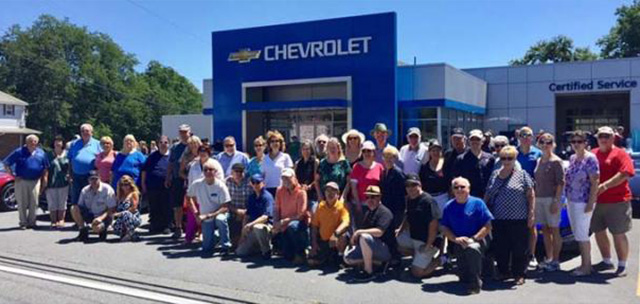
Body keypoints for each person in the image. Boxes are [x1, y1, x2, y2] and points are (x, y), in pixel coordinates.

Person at [485, 146, 535, 285]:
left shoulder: (522, 174)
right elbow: (488, 195)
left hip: (519, 217)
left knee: (519, 248)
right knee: (501, 247)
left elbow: (530, 195)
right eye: (503, 158)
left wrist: (531, 213)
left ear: (515, 159)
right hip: (499, 217)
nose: (506, 161)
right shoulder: (495, 174)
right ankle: (503, 271)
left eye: (510, 158)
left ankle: (519, 274)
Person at [591, 126, 634, 277]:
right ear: (597, 138)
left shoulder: (620, 154)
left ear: (613, 137)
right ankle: (606, 261)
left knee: (618, 233)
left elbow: (625, 173)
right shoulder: (592, 153)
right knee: (599, 231)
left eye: (607, 136)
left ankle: (622, 265)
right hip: (596, 202)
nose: (603, 138)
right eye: (601, 136)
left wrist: (605, 186)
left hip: (617, 201)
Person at [440, 177, 493, 295]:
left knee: (472, 248)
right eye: (456, 187)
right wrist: (455, 239)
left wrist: (473, 238)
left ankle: (476, 284)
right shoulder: (448, 206)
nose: (459, 189)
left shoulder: (478, 203)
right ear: (452, 190)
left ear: (468, 189)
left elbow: (488, 225)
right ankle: (475, 273)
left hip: (479, 239)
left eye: (462, 187)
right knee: (463, 277)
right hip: (459, 241)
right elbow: (444, 227)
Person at [564, 130, 600, 276]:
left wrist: (591, 203)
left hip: (584, 202)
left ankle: (586, 266)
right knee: (578, 234)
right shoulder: (572, 158)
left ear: (586, 143)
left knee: (583, 234)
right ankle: (585, 264)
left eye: (580, 141)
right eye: (574, 142)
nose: (576, 144)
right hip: (572, 201)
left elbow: (595, 181)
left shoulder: (591, 158)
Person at [344, 185, 394, 282]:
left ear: (379, 197)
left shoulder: (384, 212)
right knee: (347, 258)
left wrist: (358, 232)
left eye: (373, 197)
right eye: (367, 197)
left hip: (385, 249)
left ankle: (368, 272)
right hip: (372, 247)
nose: (370, 200)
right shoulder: (368, 212)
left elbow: (379, 232)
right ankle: (377, 263)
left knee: (364, 237)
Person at [396, 174, 441, 278]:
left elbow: (434, 225)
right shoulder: (410, 198)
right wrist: (400, 229)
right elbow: (407, 215)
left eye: (413, 185)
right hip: (414, 238)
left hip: (428, 241)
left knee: (417, 273)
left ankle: (439, 260)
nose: (411, 188)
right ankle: (418, 255)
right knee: (393, 241)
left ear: (420, 185)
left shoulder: (428, 201)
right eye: (408, 185)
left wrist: (428, 245)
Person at [533, 133, 566, 272]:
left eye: (548, 142)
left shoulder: (556, 161)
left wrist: (556, 201)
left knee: (555, 230)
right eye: (542, 142)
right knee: (545, 230)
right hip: (539, 199)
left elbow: (561, 183)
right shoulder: (539, 160)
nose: (545, 145)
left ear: (553, 144)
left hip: (551, 199)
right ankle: (549, 258)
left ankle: (556, 260)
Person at [187, 158, 232, 256]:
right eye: (205, 170)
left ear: (215, 172)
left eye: (211, 170)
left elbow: (225, 206)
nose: (208, 172)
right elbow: (188, 197)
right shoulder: (197, 184)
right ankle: (215, 237)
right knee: (207, 248)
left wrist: (209, 215)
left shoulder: (220, 185)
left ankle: (225, 246)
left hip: (220, 213)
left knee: (220, 220)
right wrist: (195, 213)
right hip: (205, 217)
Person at [3, 134, 49, 229]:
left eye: (35, 141)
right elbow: (6, 164)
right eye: (31, 141)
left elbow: (45, 168)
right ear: (26, 142)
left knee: (34, 202)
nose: (33, 143)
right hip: (21, 181)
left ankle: (32, 222)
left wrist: (45, 179)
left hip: (35, 181)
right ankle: (23, 222)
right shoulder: (19, 152)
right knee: (22, 203)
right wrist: (13, 175)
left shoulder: (41, 153)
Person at [308, 182, 350, 267]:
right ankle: (327, 258)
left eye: (333, 191)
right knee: (311, 262)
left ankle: (340, 258)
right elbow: (314, 226)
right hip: (324, 240)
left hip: (336, 241)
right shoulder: (320, 206)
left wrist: (335, 234)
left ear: (338, 194)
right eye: (327, 191)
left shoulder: (341, 206)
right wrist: (314, 244)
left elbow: (346, 222)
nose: (330, 193)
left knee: (343, 236)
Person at [516, 126, 542, 268]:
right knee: (518, 225)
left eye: (528, 135)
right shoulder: (514, 153)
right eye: (523, 135)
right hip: (516, 194)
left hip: (533, 194)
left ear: (532, 137)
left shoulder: (538, 153)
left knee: (531, 224)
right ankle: (519, 254)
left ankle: (531, 255)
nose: (525, 137)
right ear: (519, 137)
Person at [273, 168, 308, 264]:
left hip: (298, 225)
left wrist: (284, 221)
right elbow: (276, 208)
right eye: (284, 178)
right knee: (287, 256)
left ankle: (300, 253)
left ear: (294, 178)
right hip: (283, 225)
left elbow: (300, 215)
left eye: (288, 178)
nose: (286, 181)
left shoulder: (301, 192)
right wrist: (276, 221)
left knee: (292, 226)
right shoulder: (279, 191)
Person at [71, 171, 116, 242]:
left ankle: (102, 230)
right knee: (74, 208)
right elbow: (80, 205)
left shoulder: (107, 189)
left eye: (96, 179)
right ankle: (83, 230)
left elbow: (112, 208)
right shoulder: (85, 190)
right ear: (88, 180)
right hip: (90, 214)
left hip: (104, 216)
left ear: (100, 178)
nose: (94, 181)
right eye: (92, 179)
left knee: (96, 228)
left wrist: (100, 218)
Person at [236, 174, 274, 259]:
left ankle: (266, 250)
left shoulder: (267, 197)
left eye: (258, 182)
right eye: (253, 182)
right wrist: (243, 233)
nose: (256, 185)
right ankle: (257, 247)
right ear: (251, 184)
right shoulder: (251, 197)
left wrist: (250, 224)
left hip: (267, 226)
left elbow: (265, 217)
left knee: (258, 227)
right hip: (252, 228)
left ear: (263, 183)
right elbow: (247, 215)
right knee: (240, 252)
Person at [165, 124, 191, 240]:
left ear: (189, 132)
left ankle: (194, 229)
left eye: (185, 132)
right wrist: (168, 177)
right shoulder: (175, 147)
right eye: (181, 132)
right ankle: (178, 228)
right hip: (177, 179)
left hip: (192, 179)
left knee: (193, 204)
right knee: (177, 205)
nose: (183, 134)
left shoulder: (194, 145)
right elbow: (170, 163)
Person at [350, 141, 384, 225]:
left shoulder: (379, 167)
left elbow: (382, 186)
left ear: (373, 152)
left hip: (375, 205)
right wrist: (358, 204)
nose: (366, 153)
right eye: (364, 151)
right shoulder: (356, 167)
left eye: (369, 151)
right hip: (360, 204)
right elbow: (353, 188)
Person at [141, 135, 171, 234]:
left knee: (166, 207)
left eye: (165, 142)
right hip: (152, 186)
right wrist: (143, 184)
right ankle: (154, 226)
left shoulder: (171, 156)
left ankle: (167, 226)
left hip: (167, 186)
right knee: (154, 207)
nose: (163, 144)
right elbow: (144, 171)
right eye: (161, 142)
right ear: (158, 144)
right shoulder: (152, 156)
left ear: (169, 144)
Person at [452, 130, 495, 198]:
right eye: (472, 139)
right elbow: (456, 179)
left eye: (478, 139)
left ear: (482, 141)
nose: (475, 142)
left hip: (487, 197)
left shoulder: (490, 158)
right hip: (468, 197)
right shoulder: (460, 159)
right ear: (469, 141)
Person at [68, 123, 102, 206]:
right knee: (76, 199)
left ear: (92, 132)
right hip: (76, 176)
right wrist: (69, 173)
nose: (84, 133)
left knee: (89, 199)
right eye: (82, 131)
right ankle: (77, 217)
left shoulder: (98, 144)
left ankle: (88, 217)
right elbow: (70, 159)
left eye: (87, 131)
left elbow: (102, 159)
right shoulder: (74, 144)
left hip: (90, 176)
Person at [379, 146, 406, 232]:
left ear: (395, 159)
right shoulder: (383, 172)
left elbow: (404, 192)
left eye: (391, 157)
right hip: (386, 206)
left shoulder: (398, 173)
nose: (388, 160)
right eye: (386, 157)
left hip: (396, 208)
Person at [45, 136, 70, 228]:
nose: (58, 143)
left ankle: (61, 220)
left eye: (60, 141)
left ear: (63, 143)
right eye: (56, 141)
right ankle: (53, 221)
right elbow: (45, 169)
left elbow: (70, 167)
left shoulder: (67, 154)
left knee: (62, 202)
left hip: (64, 182)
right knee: (52, 203)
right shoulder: (48, 155)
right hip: (51, 182)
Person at [226, 163, 252, 249]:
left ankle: (244, 241)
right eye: (236, 171)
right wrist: (236, 211)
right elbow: (225, 201)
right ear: (232, 172)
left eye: (240, 171)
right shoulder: (226, 182)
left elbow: (254, 199)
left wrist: (245, 211)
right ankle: (230, 242)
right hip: (232, 210)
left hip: (247, 210)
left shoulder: (250, 182)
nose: (238, 174)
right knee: (227, 219)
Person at [419, 140, 449, 213]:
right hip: (429, 198)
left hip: (443, 197)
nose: (436, 153)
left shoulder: (446, 165)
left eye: (438, 150)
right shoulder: (424, 167)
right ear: (429, 152)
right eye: (433, 150)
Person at [263, 130, 294, 196]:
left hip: (282, 189)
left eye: (277, 141)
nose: (275, 143)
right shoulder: (264, 158)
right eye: (272, 141)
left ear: (280, 143)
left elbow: (291, 175)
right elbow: (263, 175)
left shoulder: (286, 157)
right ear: (269, 144)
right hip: (267, 190)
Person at [112, 175, 142, 241]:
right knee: (115, 225)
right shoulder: (120, 195)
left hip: (133, 217)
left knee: (126, 213)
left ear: (130, 184)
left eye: (127, 184)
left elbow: (134, 208)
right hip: (122, 218)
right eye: (123, 185)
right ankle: (125, 233)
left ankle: (131, 233)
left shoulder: (134, 194)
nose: (125, 187)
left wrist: (120, 214)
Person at [294, 140, 319, 212]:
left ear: (311, 150)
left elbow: (316, 178)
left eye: (308, 149)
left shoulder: (315, 162)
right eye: (304, 149)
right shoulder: (297, 163)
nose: (306, 151)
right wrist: (300, 186)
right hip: (300, 193)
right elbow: (295, 178)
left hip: (312, 194)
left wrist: (309, 186)